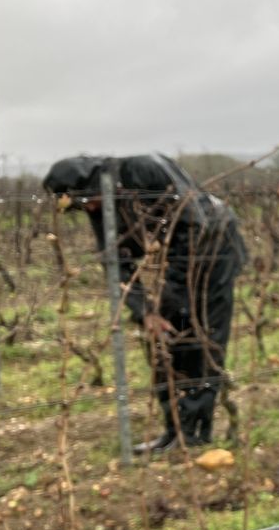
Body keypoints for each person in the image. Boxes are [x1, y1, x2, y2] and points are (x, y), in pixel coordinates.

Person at [43, 153, 246, 453]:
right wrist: (146, 312)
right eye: (80, 208)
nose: (90, 210)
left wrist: (168, 299)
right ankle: (173, 430)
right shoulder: (103, 207)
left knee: (202, 339)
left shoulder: (143, 170)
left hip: (214, 249)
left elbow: (192, 227)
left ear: (92, 184)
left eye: (86, 202)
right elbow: (116, 261)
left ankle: (194, 435)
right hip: (177, 263)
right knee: (164, 344)